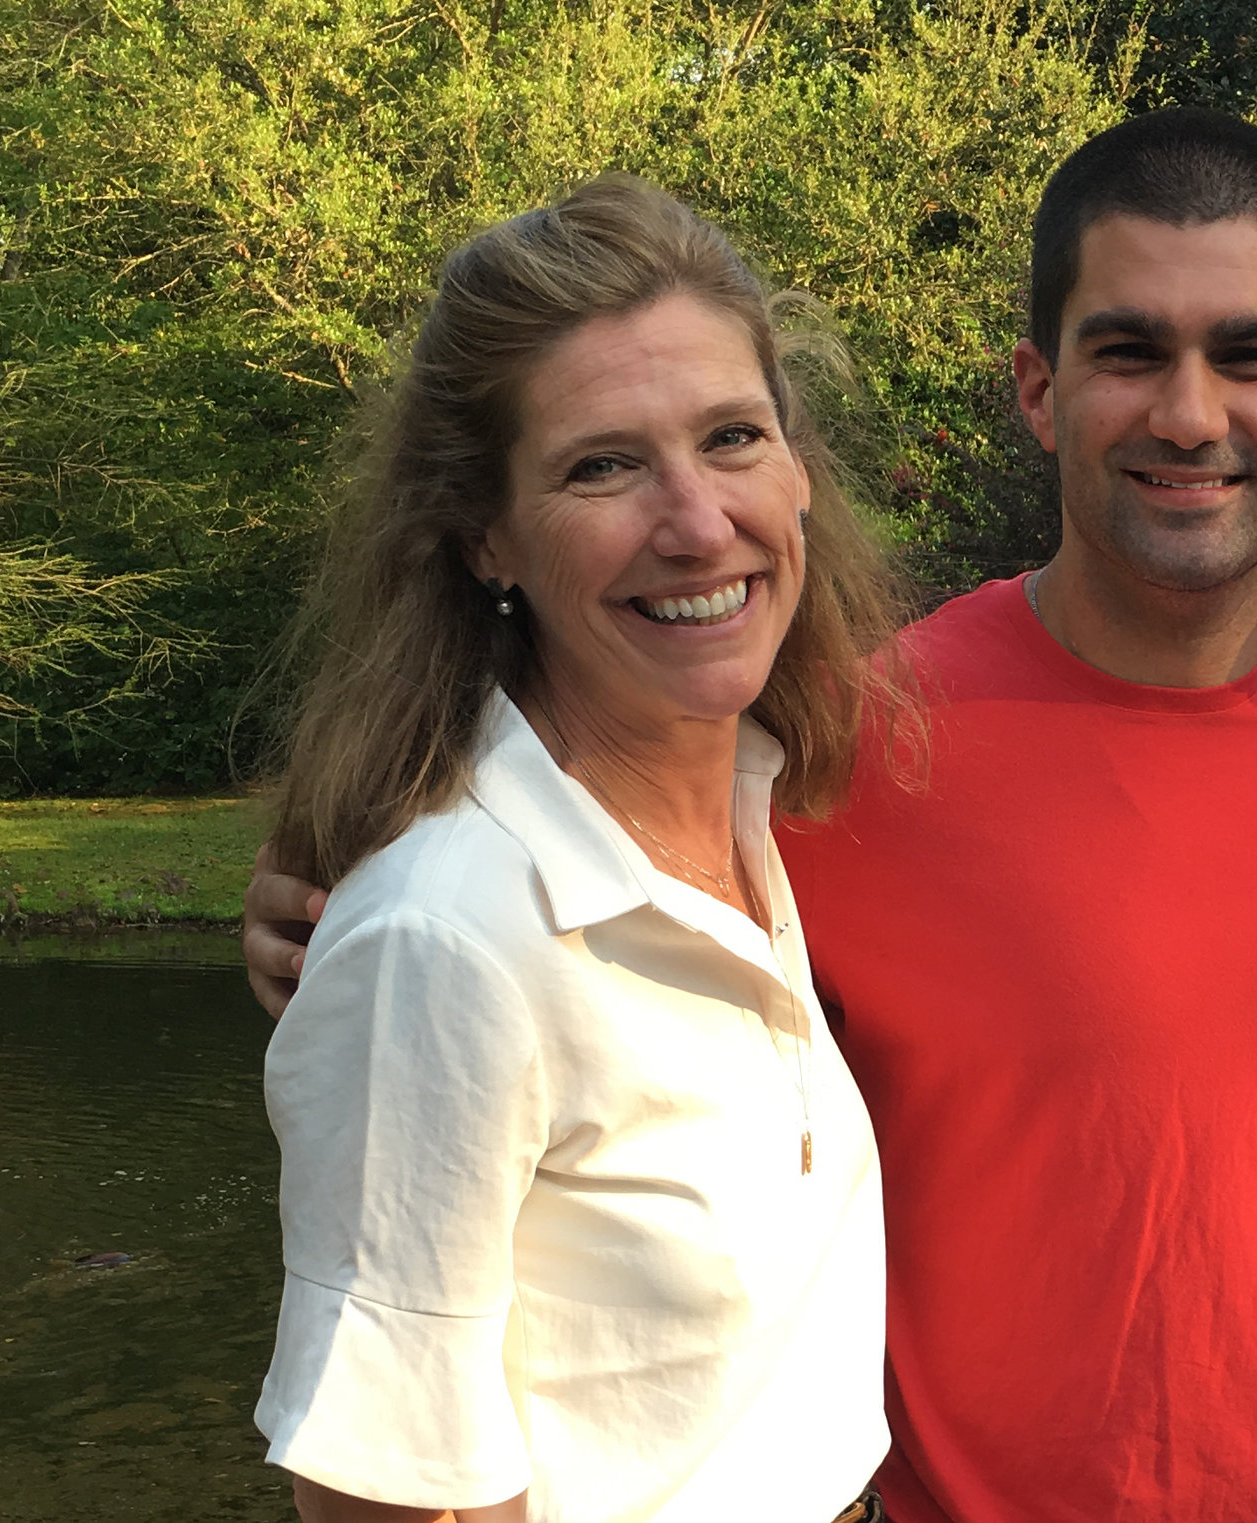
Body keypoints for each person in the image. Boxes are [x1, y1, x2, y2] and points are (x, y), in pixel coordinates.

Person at [245, 112, 1257, 1521]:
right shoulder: (855, 743)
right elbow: (491, 895)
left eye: (1247, 355)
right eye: (1129, 352)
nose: (1191, 414)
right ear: (1036, 387)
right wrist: (336, 898)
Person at [252, 175, 906, 1523]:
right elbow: (378, 1497)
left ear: (796, 470)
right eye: (602, 464)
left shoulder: (759, 813)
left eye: (732, 437)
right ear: (486, 535)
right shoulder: (446, 936)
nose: (696, 520)